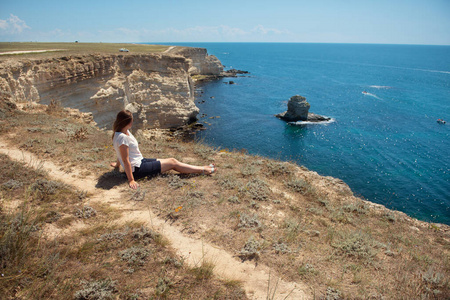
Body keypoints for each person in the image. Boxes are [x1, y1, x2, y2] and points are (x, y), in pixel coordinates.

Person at [110, 110, 216, 189]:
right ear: (128, 122)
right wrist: (131, 180)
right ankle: (203, 170)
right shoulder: (122, 137)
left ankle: (202, 167)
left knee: (172, 160)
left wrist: (117, 164)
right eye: (132, 120)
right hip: (137, 169)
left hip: (140, 161)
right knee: (172, 163)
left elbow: (120, 153)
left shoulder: (120, 133)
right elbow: (125, 159)